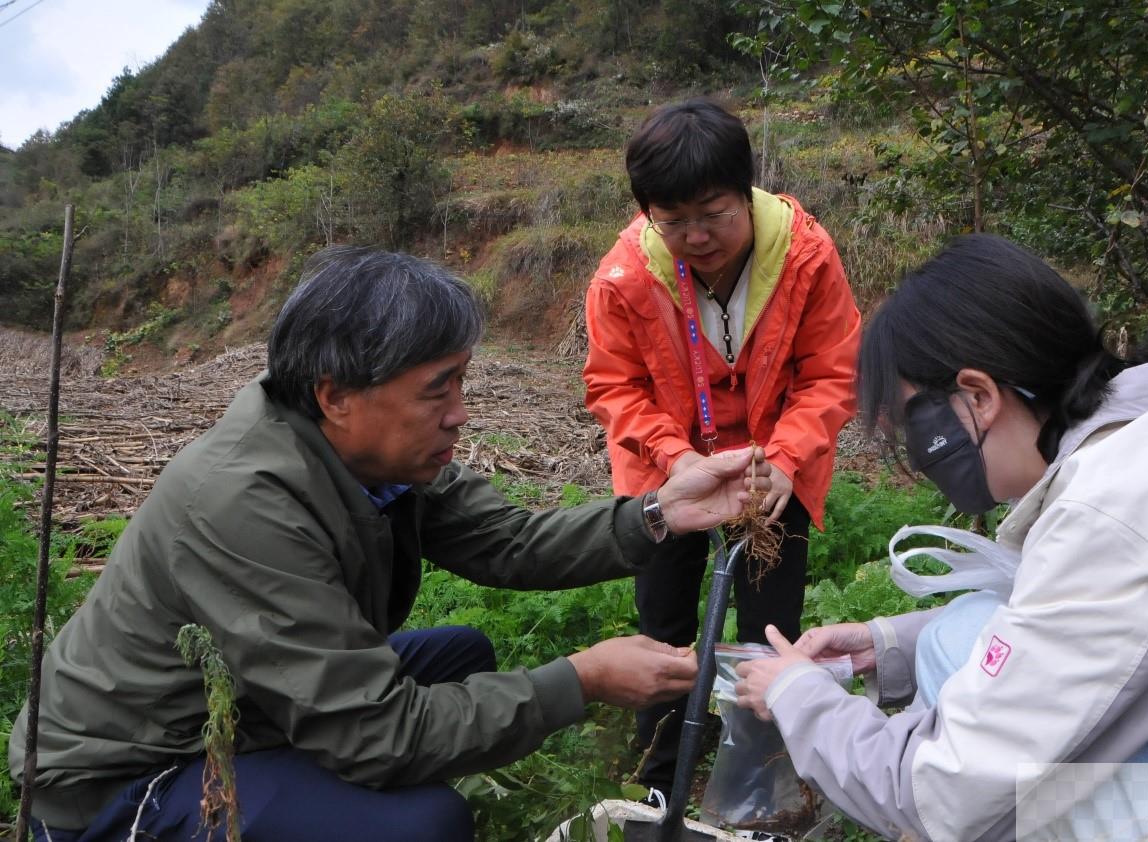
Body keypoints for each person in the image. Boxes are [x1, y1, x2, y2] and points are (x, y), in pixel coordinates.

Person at [9, 246, 773, 842]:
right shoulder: (243, 502)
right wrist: (582, 680)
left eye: (462, 383)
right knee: (425, 825)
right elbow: (376, 734)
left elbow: (506, 541)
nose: (460, 415)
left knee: (462, 654)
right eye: (438, 387)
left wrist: (659, 513)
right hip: (131, 773)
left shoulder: (371, 453)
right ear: (336, 393)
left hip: (252, 702)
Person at [733, 234, 1148, 840]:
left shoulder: (1118, 513)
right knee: (960, 633)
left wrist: (799, 698)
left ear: (980, 396)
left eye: (916, 423)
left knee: (995, 791)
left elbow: (942, 793)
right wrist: (885, 646)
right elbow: (1069, 626)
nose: (920, 454)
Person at [581, 98, 861, 796]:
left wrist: (787, 462)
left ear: (749, 192)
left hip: (775, 474)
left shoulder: (806, 256)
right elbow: (616, 386)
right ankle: (660, 774)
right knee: (665, 621)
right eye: (673, 221)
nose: (696, 236)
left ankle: (758, 778)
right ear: (649, 212)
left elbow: (831, 372)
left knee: (771, 626)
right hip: (668, 473)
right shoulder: (624, 277)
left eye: (714, 213)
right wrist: (678, 460)